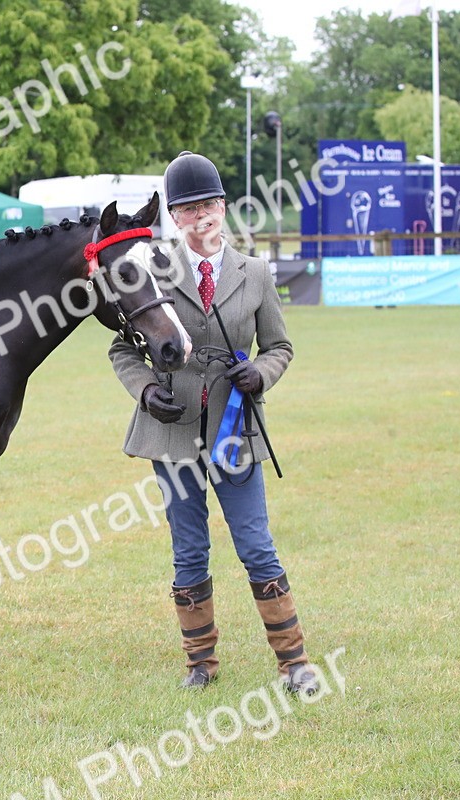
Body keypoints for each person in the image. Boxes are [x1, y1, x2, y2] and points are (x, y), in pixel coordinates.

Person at [108, 151, 317, 694]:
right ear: (174, 218)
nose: (201, 215)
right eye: (188, 208)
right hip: (172, 430)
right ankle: (200, 663)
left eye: (209, 204)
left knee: (256, 543)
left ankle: (293, 663)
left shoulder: (256, 273)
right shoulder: (153, 272)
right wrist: (147, 389)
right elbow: (123, 348)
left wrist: (262, 374)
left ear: (223, 208)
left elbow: (280, 345)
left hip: (235, 428)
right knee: (188, 548)